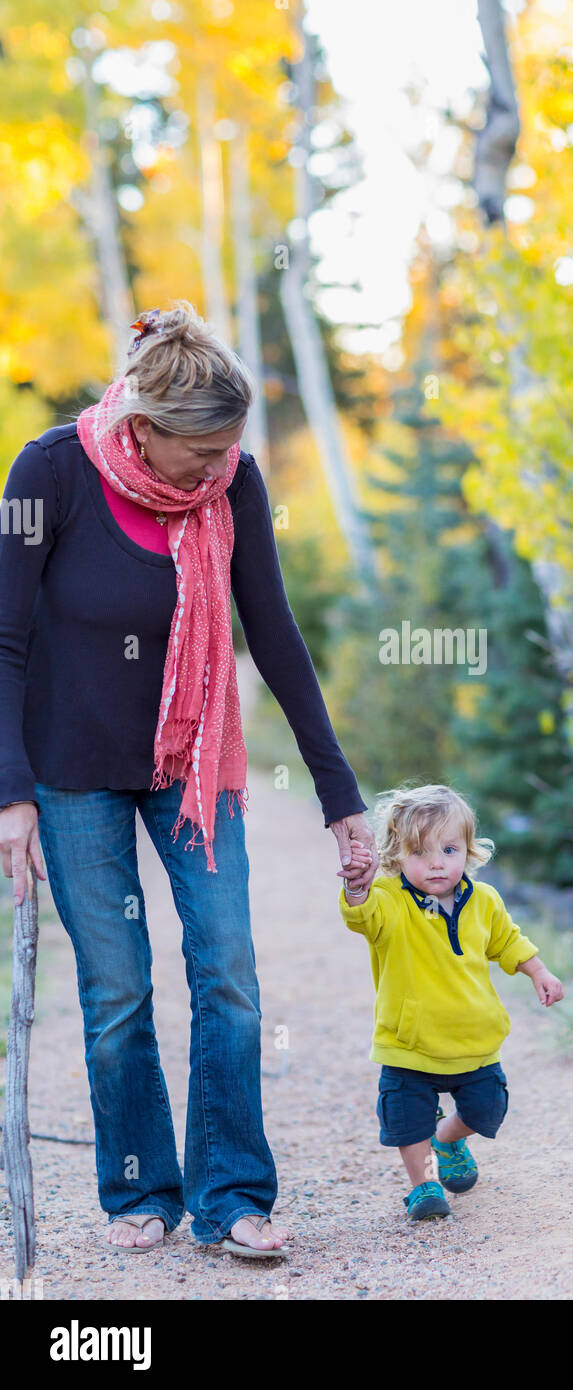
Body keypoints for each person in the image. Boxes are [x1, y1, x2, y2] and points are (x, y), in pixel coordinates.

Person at [0, 302, 378, 1256]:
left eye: (228, 455)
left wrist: (341, 799)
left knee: (230, 969)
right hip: (73, 772)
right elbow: (0, 642)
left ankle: (232, 1195)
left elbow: (276, 636)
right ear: (142, 428)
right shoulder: (46, 473)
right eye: (199, 456)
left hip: (193, 760)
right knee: (118, 987)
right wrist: (10, 796)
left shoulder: (233, 485)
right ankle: (138, 1193)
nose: (216, 473)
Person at [337, 783, 564, 1220]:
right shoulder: (388, 900)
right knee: (407, 1121)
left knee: (487, 1108)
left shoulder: (484, 900)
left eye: (448, 849)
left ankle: (448, 1136)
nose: (437, 863)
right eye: (420, 852)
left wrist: (539, 971)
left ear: (468, 849)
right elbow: (360, 917)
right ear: (396, 854)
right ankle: (423, 1185)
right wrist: (358, 889)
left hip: (474, 1042)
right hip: (409, 1044)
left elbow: (508, 942)